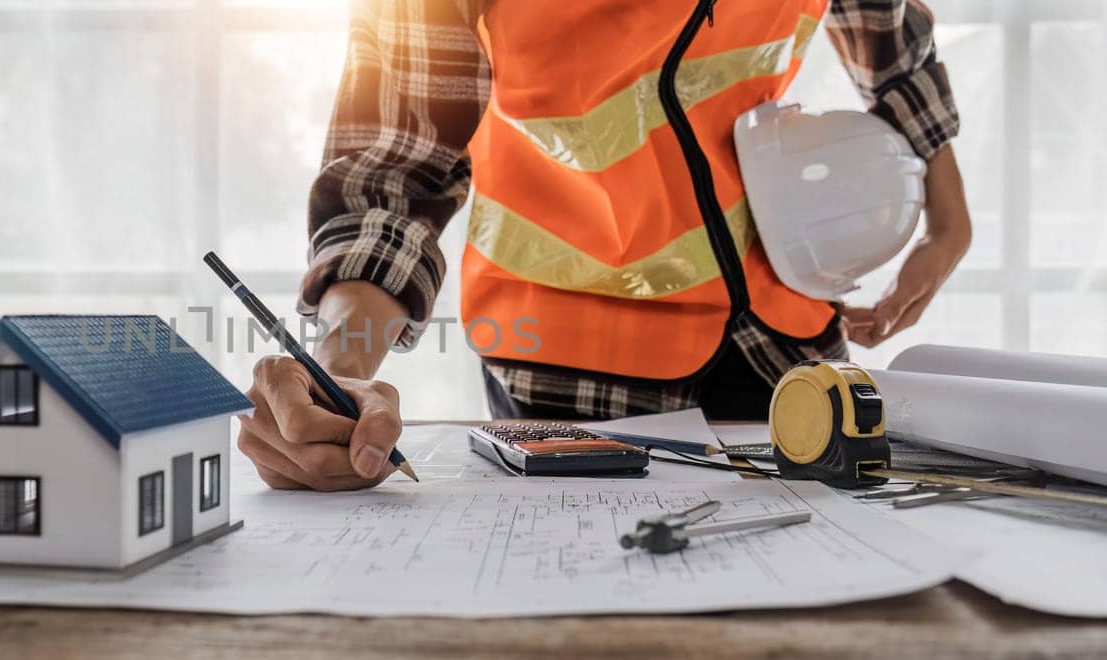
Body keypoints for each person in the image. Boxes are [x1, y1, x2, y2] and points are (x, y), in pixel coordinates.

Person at [238, 0, 971, 491]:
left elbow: (883, 18)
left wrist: (948, 210)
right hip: (572, 352)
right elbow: (395, 167)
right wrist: (341, 369)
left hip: (781, 321)